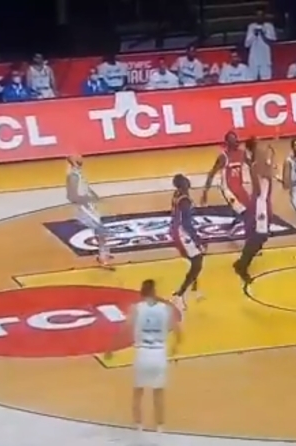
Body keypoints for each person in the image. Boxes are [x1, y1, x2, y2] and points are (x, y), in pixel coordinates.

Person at [105, 279, 182, 433]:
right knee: (158, 393)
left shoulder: (136, 309)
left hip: (143, 353)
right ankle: (160, 427)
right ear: (155, 291)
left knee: (138, 392)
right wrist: (175, 348)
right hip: (159, 353)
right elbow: (178, 333)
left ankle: (138, 425)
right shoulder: (166, 309)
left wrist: (110, 349)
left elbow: (123, 331)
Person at [233, 141, 274, 284]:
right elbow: (258, 190)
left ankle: (241, 262)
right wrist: (268, 172)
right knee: (259, 236)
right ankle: (242, 266)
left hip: (265, 203)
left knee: (260, 237)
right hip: (259, 204)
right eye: (260, 148)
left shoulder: (263, 164)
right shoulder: (255, 167)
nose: (263, 150)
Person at [66, 155, 113, 269]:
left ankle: (103, 253)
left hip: (90, 206)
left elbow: (85, 188)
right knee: (101, 230)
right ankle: (102, 257)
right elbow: (72, 196)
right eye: (78, 158)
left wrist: (94, 196)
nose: (81, 159)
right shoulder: (72, 176)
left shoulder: (79, 173)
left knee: (100, 230)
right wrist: (85, 200)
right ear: (73, 162)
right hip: (83, 208)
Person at [201, 131, 249, 231]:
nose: (235, 142)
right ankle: (237, 227)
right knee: (241, 210)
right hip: (227, 188)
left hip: (239, 186)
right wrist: (205, 192)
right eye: (232, 140)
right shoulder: (223, 157)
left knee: (250, 208)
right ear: (227, 143)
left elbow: (252, 165)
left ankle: (236, 223)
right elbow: (211, 173)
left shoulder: (242, 153)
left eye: (235, 139)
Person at [169, 174, 204, 312]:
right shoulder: (184, 200)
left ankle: (194, 289)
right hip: (182, 233)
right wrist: (197, 239)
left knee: (195, 260)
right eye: (185, 180)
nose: (188, 181)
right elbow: (187, 224)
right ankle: (179, 295)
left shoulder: (177, 194)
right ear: (183, 184)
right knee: (197, 261)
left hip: (176, 230)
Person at [244, 8, 276, 81]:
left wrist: (263, 34)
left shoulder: (269, 26)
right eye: (258, 15)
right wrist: (254, 34)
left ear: (264, 16)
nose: (259, 17)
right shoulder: (251, 27)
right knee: (251, 79)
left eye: (261, 15)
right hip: (254, 58)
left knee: (266, 80)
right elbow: (246, 44)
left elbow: (272, 42)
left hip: (265, 58)